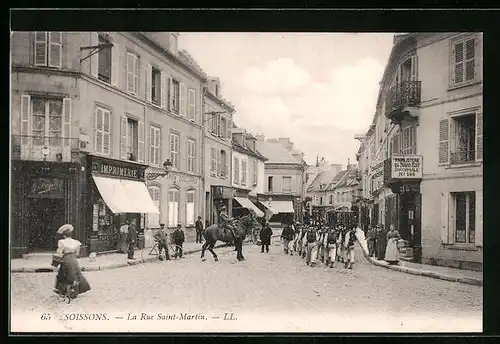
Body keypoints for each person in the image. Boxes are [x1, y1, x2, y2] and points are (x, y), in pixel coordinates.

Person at [53, 224, 91, 297]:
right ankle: (74, 290)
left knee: (63, 274)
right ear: (71, 234)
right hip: (73, 259)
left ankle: (62, 290)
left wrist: (56, 261)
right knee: (75, 275)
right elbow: (77, 253)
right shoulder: (76, 242)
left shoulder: (61, 242)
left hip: (66, 259)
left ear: (64, 235)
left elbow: (59, 253)